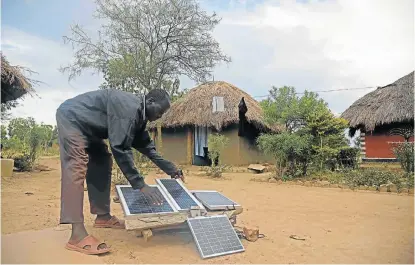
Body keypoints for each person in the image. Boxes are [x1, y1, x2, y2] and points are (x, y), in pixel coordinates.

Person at [56, 88, 183, 255]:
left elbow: (148, 148)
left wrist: (171, 169)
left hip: (91, 128)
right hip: (72, 118)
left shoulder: (139, 117)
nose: (160, 116)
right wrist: (140, 185)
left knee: (102, 160)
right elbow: (120, 148)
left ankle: (103, 217)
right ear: (150, 101)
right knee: (76, 165)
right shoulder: (129, 109)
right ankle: (77, 235)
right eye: (160, 111)